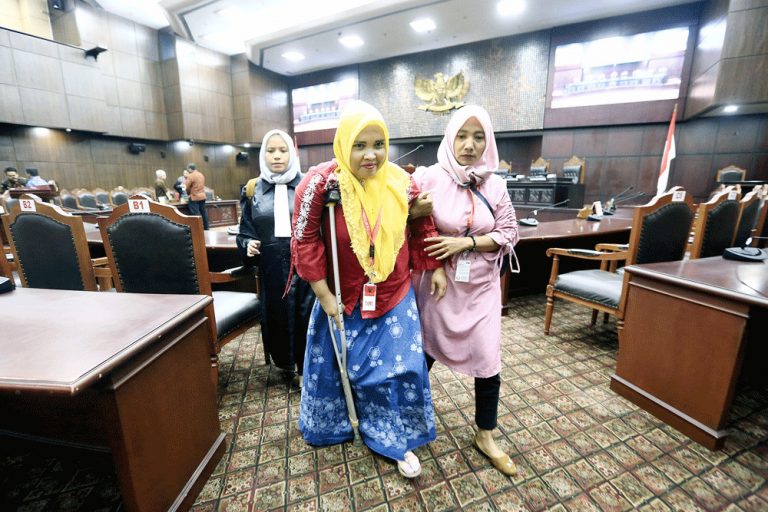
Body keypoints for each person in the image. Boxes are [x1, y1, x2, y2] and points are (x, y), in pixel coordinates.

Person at [291, 101, 446, 478]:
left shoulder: (401, 182)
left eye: (379, 144)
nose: (371, 154)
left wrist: (436, 267)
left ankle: (392, 436)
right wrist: (324, 295)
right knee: (338, 365)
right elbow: (304, 239)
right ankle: (337, 424)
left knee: (396, 368)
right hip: (340, 294)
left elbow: (421, 224)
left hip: (393, 290)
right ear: (344, 144)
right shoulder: (321, 182)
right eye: (359, 145)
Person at [411, 105, 520, 476]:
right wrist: (435, 261)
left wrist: (466, 243)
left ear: (488, 142)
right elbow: (412, 227)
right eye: (462, 136)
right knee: (423, 353)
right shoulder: (428, 178)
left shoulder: (496, 185)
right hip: (437, 284)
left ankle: (485, 434)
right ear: (450, 137)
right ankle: (407, 418)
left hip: (481, 286)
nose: (470, 145)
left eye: (478, 137)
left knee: (488, 359)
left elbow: (509, 232)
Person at [236, 129, 314, 386]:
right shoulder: (252, 189)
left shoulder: (308, 184)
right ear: (263, 155)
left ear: (292, 153)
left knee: (306, 317)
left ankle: (306, 368)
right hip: (270, 269)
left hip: (304, 267)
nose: (277, 156)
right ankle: (285, 363)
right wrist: (247, 244)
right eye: (271, 151)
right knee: (277, 318)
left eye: (283, 150)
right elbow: (245, 230)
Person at [184, 163, 209, 229]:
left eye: (188, 169)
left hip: (194, 197)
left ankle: (198, 229)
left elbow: (187, 187)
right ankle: (206, 228)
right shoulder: (201, 174)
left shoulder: (190, 176)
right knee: (204, 212)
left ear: (190, 169)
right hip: (202, 196)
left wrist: (188, 194)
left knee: (195, 214)